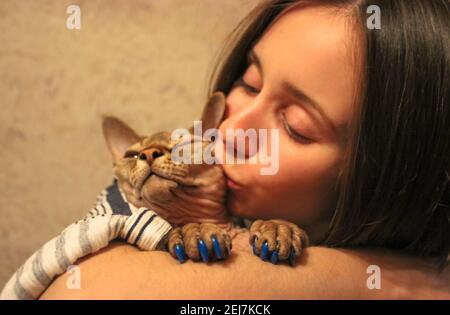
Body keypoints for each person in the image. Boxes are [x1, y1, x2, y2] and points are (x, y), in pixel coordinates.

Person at [40, 0, 450, 299]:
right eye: (249, 82)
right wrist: (385, 280)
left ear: (386, 183)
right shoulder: (161, 191)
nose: (232, 130)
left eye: (296, 126)